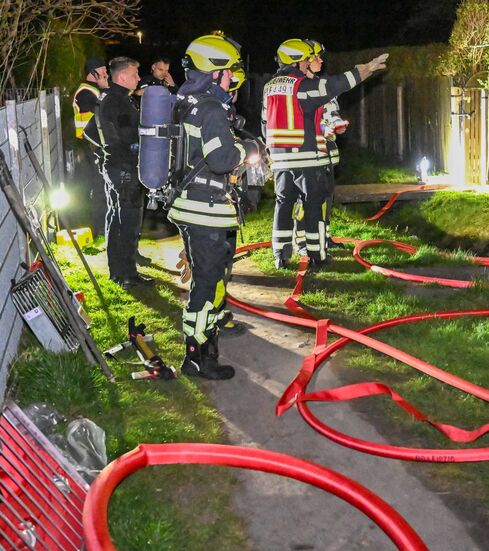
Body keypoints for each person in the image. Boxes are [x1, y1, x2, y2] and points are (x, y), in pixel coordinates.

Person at [169, 33, 259, 380]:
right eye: (230, 72)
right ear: (214, 72)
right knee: (207, 285)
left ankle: (205, 346)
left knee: (207, 281)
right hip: (204, 209)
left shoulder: (187, 101)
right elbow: (221, 159)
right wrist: (244, 150)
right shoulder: (210, 109)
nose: (233, 78)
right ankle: (197, 358)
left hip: (190, 206)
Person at [262, 39, 388, 269]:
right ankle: (317, 254)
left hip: (280, 159)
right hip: (307, 157)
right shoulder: (302, 85)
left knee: (283, 204)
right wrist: (367, 69)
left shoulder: (269, 86)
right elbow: (336, 84)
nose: (312, 61)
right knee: (313, 205)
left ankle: (280, 254)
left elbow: (264, 123)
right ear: (298, 61)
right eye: (308, 58)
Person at [91, 56, 153, 288]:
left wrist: (106, 150)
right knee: (127, 223)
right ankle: (127, 275)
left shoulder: (110, 98)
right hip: (125, 168)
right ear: (122, 76)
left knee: (116, 220)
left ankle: (118, 272)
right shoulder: (118, 101)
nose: (139, 78)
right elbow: (130, 137)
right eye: (135, 75)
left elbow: (91, 130)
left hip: (114, 166)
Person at [293, 39, 348, 256]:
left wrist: (335, 124)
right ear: (305, 60)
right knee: (304, 200)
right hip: (306, 155)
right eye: (316, 56)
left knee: (325, 198)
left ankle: (323, 237)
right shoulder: (297, 88)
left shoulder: (322, 85)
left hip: (325, 155)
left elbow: (331, 112)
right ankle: (301, 241)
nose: (320, 60)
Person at [72, 58, 109, 237]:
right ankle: (98, 228)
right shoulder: (86, 92)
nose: (106, 74)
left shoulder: (92, 90)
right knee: (98, 188)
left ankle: (98, 226)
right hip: (90, 148)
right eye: (103, 71)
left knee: (98, 187)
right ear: (93, 72)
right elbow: (94, 122)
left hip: (90, 148)